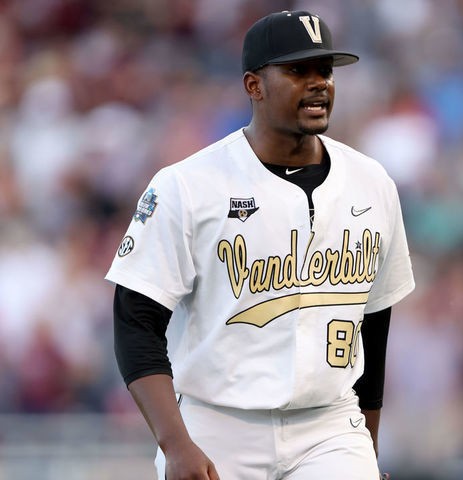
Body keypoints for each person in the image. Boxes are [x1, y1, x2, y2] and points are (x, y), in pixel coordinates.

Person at [106, 10, 414, 480]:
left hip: (329, 424)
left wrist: (367, 448)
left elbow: (374, 325)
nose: (318, 84)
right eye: (297, 71)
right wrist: (175, 444)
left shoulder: (372, 182)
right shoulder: (186, 186)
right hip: (217, 423)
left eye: (324, 71)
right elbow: (135, 323)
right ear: (254, 85)